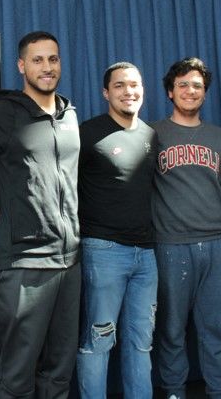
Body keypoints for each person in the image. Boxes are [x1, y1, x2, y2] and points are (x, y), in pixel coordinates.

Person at [0, 31, 80, 398]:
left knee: (59, 373)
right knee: (17, 377)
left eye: (53, 59)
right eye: (37, 60)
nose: (47, 68)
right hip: (23, 262)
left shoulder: (69, 114)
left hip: (69, 260)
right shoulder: (2, 115)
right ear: (21, 66)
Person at [152, 57, 221, 399]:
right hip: (170, 246)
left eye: (197, 86)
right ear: (170, 91)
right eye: (183, 85)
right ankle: (174, 392)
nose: (190, 91)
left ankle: (220, 392)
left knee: (218, 329)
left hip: (217, 246)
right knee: (170, 330)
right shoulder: (153, 135)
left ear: (205, 93)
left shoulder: (219, 138)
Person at [76, 62, 158, 398]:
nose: (129, 92)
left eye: (135, 85)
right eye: (120, 86)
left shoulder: (152, 135)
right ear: (106, 92)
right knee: (99, 342)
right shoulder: (88, 132)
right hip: (103, 251)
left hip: (147, 255)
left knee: (141, 343)